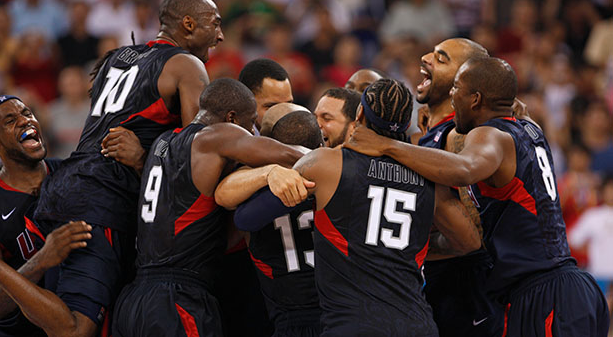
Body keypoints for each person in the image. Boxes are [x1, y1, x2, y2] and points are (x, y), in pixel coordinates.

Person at [1, 0, 223, 337]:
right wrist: (144, 158)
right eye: (215, 24)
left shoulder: (117, 56)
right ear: (189, 24)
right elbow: (193, 152)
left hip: (71, 186)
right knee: (77, 328)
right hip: (103, 195)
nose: (221, 34)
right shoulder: (186, 64)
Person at [345, 57, 610, 336]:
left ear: (475, 99)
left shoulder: (491, 135)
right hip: (571, 286)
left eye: (456, 89)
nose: (451, 95)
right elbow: (518, 108)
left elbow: (464, 169)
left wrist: (387, 145)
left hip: (542, 290)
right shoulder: (530, 127)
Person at [111, 78, 306, 336]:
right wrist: (335, 159)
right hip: (178, 300)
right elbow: (288, 155)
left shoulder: (162, 142)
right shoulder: (216, 136)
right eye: (250, 125)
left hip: (135, 299)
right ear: (232, 118)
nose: (252, 131)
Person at [294, 78, 481, 336]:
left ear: (359, 113)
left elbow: (252, 213)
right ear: (407, 124)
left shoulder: (327, 162)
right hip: (416, 324)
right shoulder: (428, 175)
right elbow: (469, 242)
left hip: (353, 324)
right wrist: (407, 247)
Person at [0, 95, 93, 336]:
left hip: (74, 321)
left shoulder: (70, 174)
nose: (25, 121)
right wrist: (42, 260)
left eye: (28, 113)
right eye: (10, 120)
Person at [414, 38, 502, 336]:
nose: (426, 58)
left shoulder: (464, 137)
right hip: (444, 286)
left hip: (470, 291)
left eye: (441, 59)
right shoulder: (433, 134)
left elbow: (469, 240)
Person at [215, 110, 323, 336]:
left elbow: (239, 216)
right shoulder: (336, 177)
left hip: (287, 315)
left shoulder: (253, 190)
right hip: (336, 314)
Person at [238, 58, 294, 134]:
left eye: (288, 105)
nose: (283, 115)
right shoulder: (230, 142)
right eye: (271, 107)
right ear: (246, 104)